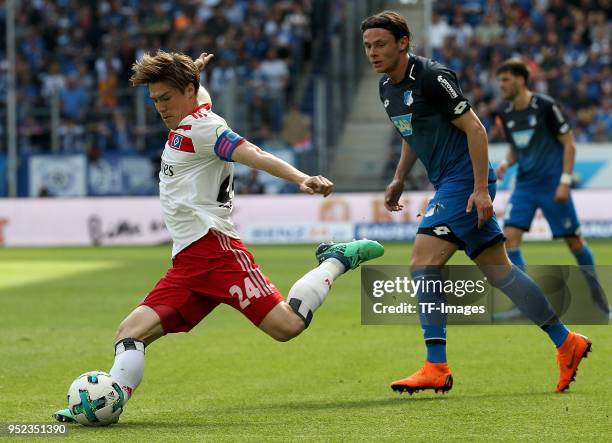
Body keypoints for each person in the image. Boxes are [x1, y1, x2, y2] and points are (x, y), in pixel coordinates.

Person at [53, 51, 384, 422]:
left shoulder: (205, 129)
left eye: (166, 99)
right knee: (129, 333)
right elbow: (201, 96)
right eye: (155, 101)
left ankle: (335, 259)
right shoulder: (191, 114)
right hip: (187, 263)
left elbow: (254, 154)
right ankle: (105, 404)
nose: (160, 108)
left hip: (217, 251)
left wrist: (301, 178)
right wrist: (192, 71)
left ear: (188, 91)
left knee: (287, 327)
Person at [361, 11, 591, 395]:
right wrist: (400, 177)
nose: (373, 52)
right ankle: (566, 342)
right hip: (453, 183)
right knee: (501, 272)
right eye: (368, 46)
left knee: (423, 262)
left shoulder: (433, 77)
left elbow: (475, 129)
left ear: (403, 42)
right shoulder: (387, 87)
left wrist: (481, 188)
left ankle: (436, 366)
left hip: (465, 181)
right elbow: (410, 131)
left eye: (380, 43)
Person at [495, 59, 610, 320]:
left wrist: (565, 180)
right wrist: (505, 163)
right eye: (500, 80)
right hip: (524, 185)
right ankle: (525, 304)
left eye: (506, 79)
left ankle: (599, 300)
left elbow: (569, 144)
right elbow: (517, 146)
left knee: (574, 241)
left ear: (521, 80)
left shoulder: (545, 106)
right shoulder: (506, 111)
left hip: (552, 184)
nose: (501, 85)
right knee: (509, 240)